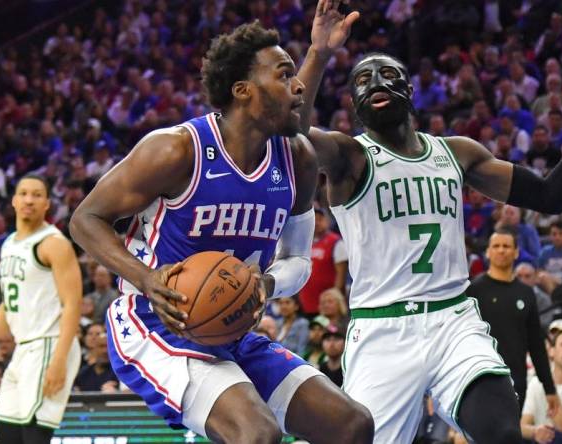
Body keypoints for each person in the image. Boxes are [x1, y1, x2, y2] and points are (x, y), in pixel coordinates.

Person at [298, 10, 562, 438]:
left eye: (387, 74)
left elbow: (551, 196)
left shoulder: (456, 153)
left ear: (409, 88)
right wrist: (319, 53)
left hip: (452, 321)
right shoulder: (350, 157)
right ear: (354, 103)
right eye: (363, 81)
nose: (376, 83)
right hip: (383, 331)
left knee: (503, 435)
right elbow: (293, 132)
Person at [68, 11, 373, 443]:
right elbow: (85, 219)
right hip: (154, 319)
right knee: (256, 433)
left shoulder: (298, 160)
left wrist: (266, 284)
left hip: (231, 326)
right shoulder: (176, 150)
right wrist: (147, 279)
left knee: (352, 426)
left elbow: (298, 260)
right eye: (285, 75)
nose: (299, 86)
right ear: (243, 91)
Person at [0, 175, 82, 443]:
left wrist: (59, 360)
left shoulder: (53, 243)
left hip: (49, 344)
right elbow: (10, 303)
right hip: (24, 349)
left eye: (37, 195)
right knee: (8, 435)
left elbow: (72, 304)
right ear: (13, 200)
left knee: (33, 436)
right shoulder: (10, 243)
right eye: (23, 193)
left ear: (47, 204)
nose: (29, 200)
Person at [470, 229, 556, 409]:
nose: (501, 250)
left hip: (516, 380)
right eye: (496, 246)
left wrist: (549, 388)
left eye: (507, 246)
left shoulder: (526, 293)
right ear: (488, 252)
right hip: (479, 378)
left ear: (516, 252)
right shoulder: (473, 291)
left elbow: (536, 344)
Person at [297, 207, 348, 317]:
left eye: (320, 219)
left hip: (327, 306)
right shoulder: (304, 243)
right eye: (314, 220)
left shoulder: (335, 242)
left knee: (327, 331)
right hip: (306, 302)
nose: (317, 223)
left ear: (328, 221)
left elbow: (341, 274)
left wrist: (335, 297)